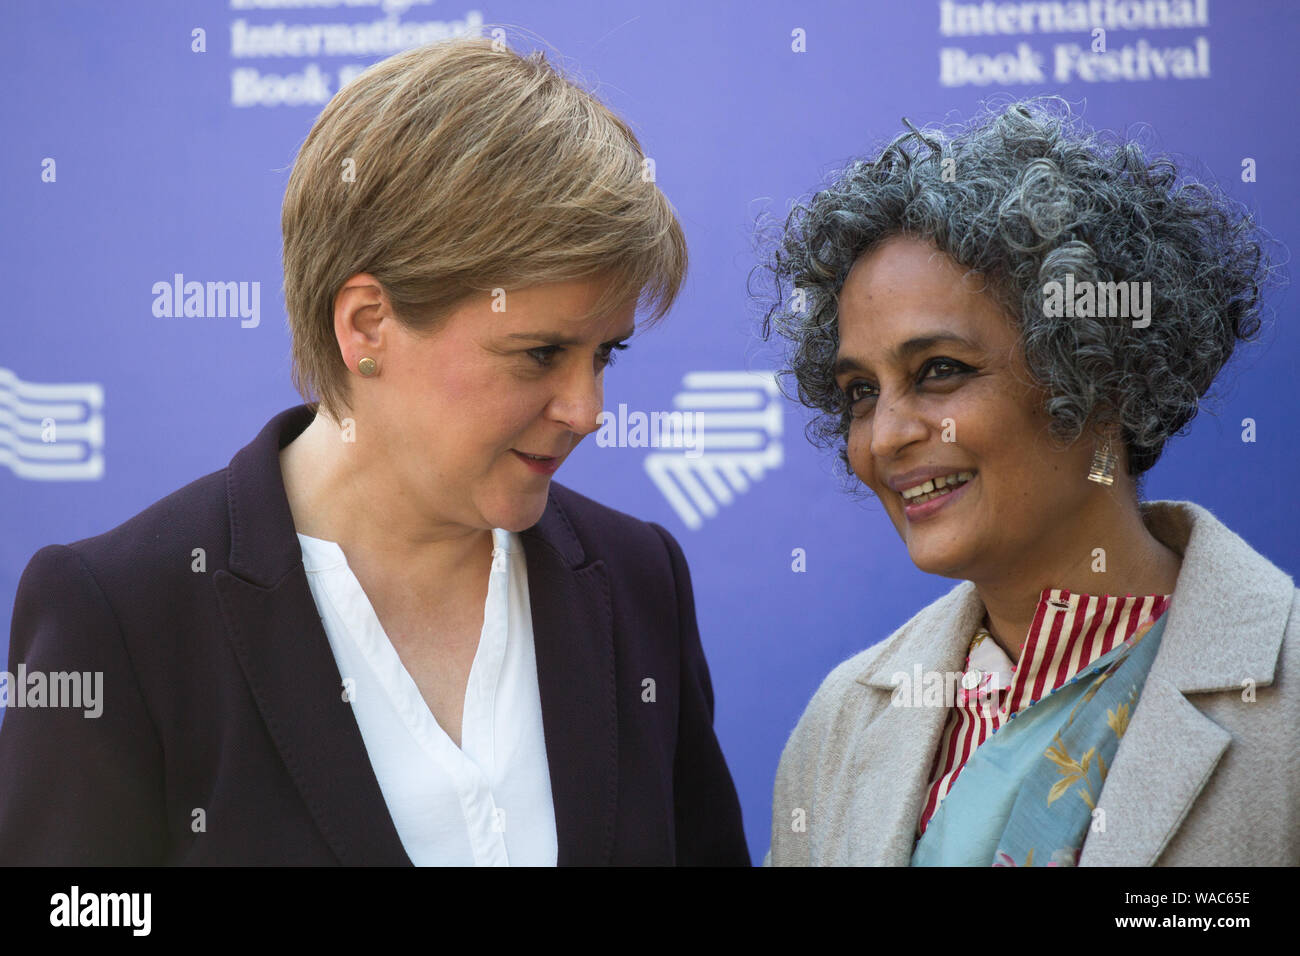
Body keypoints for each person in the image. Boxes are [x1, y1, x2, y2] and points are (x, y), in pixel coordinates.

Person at [0, 37, 748, 866]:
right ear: (366, 326)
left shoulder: (638, 579)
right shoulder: (122, 614)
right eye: (541, 354)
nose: (587, 410)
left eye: (606, 355)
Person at [759, 99, 1296, 866]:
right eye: (860, 392)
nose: (886, 435)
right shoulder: (841, 722)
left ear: (1100, 370)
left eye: (938, 371)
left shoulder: (1287, 698)